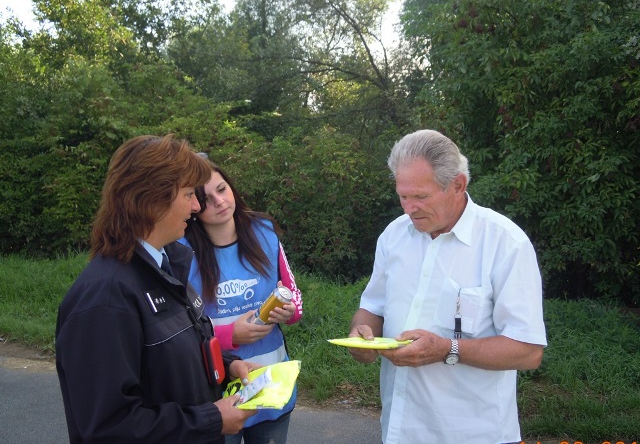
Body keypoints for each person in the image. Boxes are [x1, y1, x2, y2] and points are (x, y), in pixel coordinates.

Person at [348, 129, 547, 444]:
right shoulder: (394, 236)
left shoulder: (505, 243)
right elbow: (373, 306)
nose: (409, 208)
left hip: (475, 433)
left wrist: (446, 349)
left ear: (457, 185)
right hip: (399, 430)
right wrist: (362, 333)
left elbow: (528, 351)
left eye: (421, 197)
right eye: (403, 196)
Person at [55, 135, 258, 443]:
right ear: (152, 200)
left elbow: (171, 359)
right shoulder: (104, 300)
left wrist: (229, 365)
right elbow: (108, 427)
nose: (195, 206)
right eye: (189, 194)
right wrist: (211, 420)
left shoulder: (166, 266)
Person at [179, 157, 303, 444]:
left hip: (271, 389)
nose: (219, 201)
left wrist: (290, 311)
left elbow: (294, 294)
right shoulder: (181, 250)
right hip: (217, 394)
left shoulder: (264, 231)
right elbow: (179, 328)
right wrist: (228, 335)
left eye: (222, 189)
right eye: (206, 199)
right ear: (194, 207)